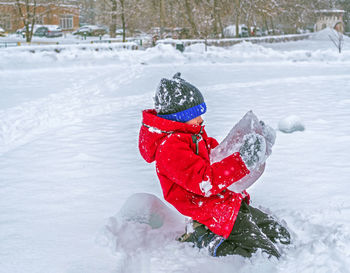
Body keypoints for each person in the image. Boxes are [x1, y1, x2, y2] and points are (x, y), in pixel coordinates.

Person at [138, 73, 290, 258]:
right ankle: (205, 238)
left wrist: (257, 146)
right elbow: (205, 181)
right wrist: (242, 161)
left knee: (281, 235)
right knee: (265, 253)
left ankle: (206, 230)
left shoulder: (193, 133)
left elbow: (219, 156)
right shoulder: (170, 149)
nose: (201, 119)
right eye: (195, 115)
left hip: (227, 200)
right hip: (208, 208)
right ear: (178, 117)